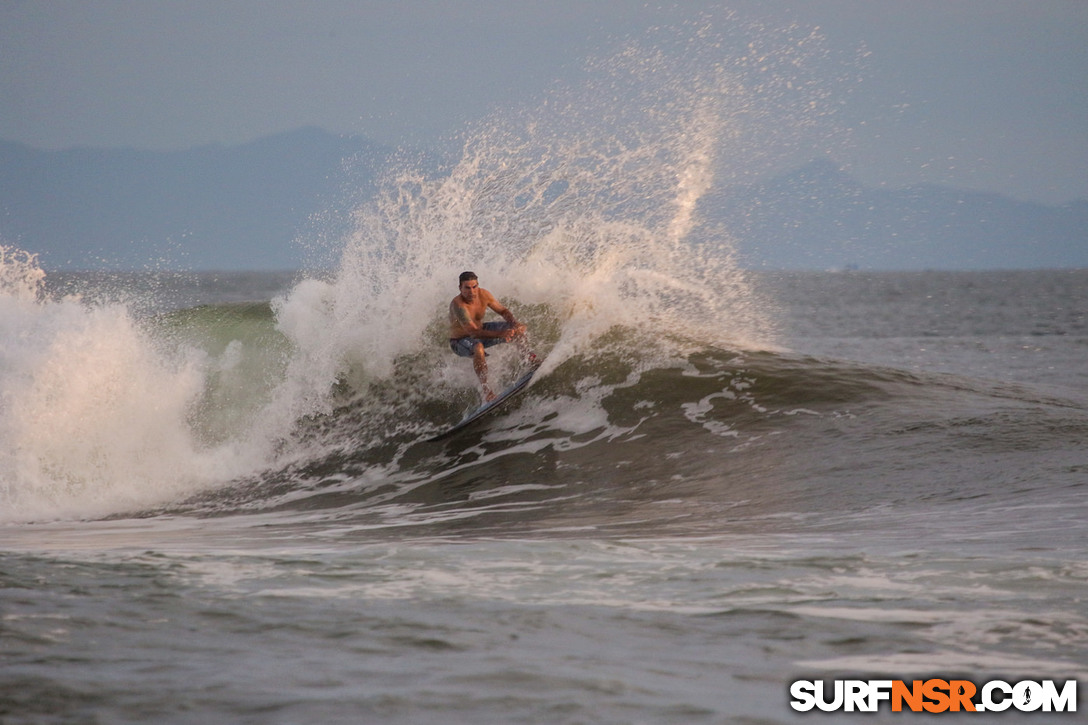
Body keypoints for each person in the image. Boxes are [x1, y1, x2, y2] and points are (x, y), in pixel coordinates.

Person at [448, 271, 533, 401]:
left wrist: (515, 324)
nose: (472, 291)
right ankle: (487, 391)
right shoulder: (458, 305)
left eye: (474, 287)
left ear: (478, 285)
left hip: (481, 330)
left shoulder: (484, 294)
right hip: (460, 341)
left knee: (517, 331)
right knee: (478, 348)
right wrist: (501, 334)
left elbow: (503, 311)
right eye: (467, 288)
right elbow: (473, 333)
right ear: (460, 288)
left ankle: (530, 360)